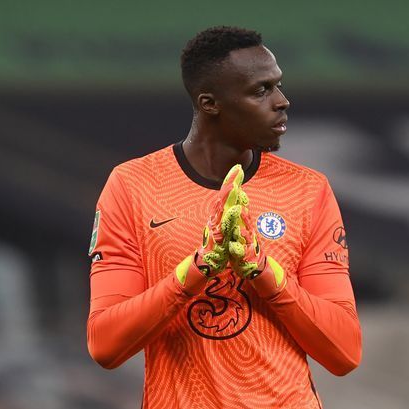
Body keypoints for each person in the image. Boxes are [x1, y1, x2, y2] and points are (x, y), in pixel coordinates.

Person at [86, 26, 362, 409]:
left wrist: (264, 271)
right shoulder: (133, 186)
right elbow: (105, 344)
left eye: (278, 85)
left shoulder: (308, 190)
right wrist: (197, 270)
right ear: (210, 103)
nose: (282, 101)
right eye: (261, 90)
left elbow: (344, 351)